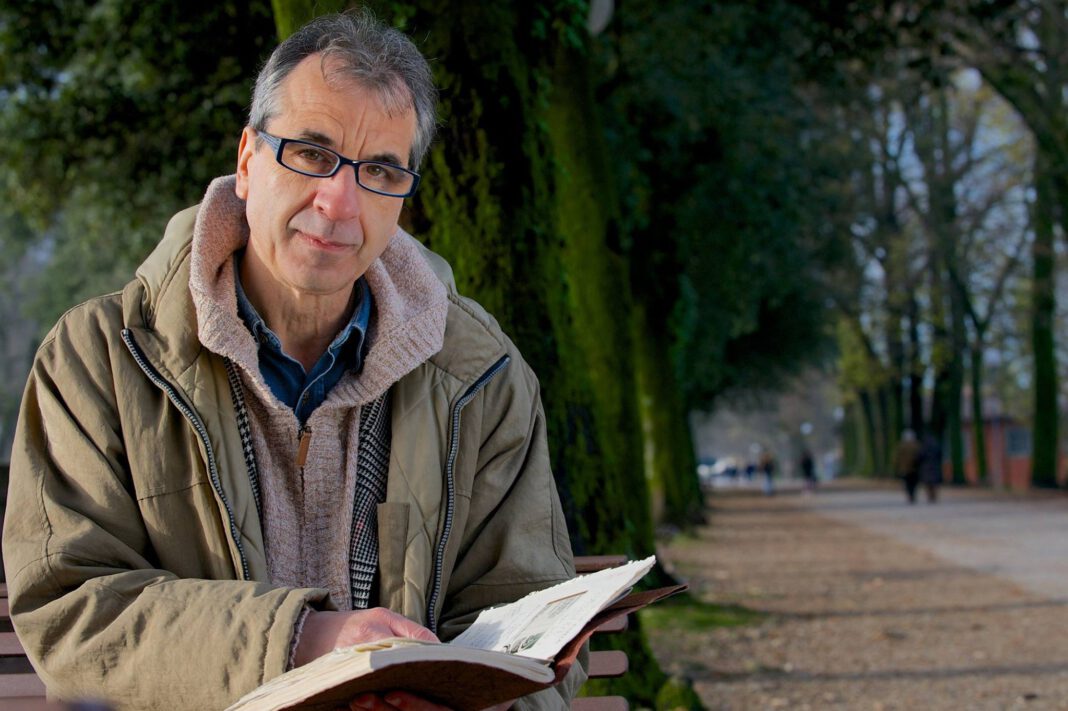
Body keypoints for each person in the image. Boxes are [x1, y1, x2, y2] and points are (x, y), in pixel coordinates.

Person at [2, 12, 583, 711]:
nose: (340, 202)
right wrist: (307, 638)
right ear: (248, 161)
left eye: (379, 171)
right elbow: (73, 612)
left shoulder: (482, 373)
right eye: (311, 153)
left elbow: (530, 620)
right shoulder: (99, 357)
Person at [893, 429, 922, 504]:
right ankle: (912, 494)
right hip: (915, 468)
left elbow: (896, 457)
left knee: (907, 483)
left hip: (905, 468)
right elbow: (921, 456)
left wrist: (896, 466)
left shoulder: (901, 446)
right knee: (914, 483)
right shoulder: (917, 445)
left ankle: (910, 495)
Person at [918, 434, 943, 503]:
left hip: (926, 467)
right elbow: (940, 455)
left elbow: (920, 456)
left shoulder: (924, 447)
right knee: (934, 482)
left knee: (927, 483)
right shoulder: (936, 446)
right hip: (935, 466)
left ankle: (929, 495)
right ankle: (934, 495)